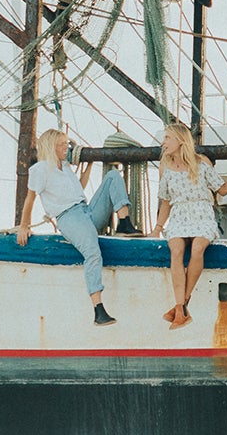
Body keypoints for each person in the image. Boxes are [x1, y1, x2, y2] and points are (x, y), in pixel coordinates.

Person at [15, 128, 138, 326]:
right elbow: (30, 198)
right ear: (50, 147)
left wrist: (88, 165)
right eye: (62, 145)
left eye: (66, 144)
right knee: (92, 253)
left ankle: (124, 223)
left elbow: (79, 188)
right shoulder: (40, 169)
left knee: (113, 176)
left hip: (86, 211)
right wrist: (23, 225)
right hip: (69, 217)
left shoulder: (64, 166)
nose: (67, 147)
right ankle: (98, 309)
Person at [153, 122, 227, 328]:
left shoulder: (200, 164)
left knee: (198, 247)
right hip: (179, 214)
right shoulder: (165, 167)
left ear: (180, 140)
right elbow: (165, 201)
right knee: (176, 250)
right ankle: (180, 307)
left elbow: (223, 189)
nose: (163, 143)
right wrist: (157, 229)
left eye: (167, 138)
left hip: (202, 212)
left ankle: (181, 307)